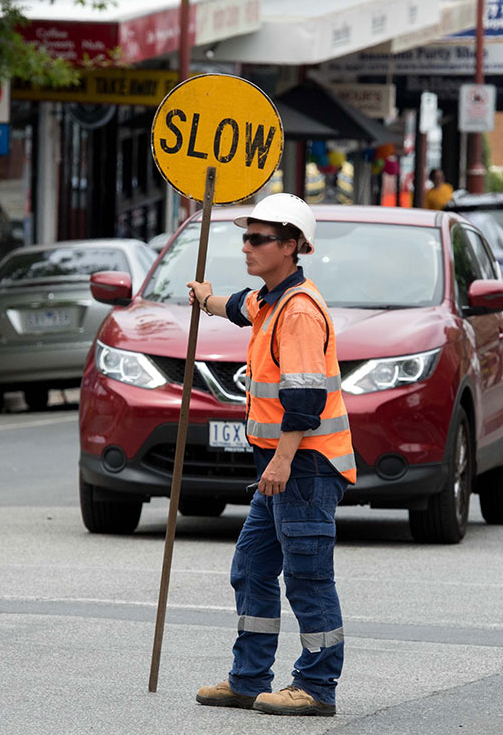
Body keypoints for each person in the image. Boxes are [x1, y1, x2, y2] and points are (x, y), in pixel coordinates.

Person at [187, 193, 354, 718]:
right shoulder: (270, 300)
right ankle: (249, 678)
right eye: (245, 236)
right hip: (282, 465)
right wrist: (206, 299)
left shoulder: (299, 311)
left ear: (291, 246)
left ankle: (316, 686)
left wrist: (281, 461)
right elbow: (238, 307)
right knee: (252, 567)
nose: (246, 246)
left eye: (258, 239)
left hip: (304, 464)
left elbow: (305, 401)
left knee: (307, 576)